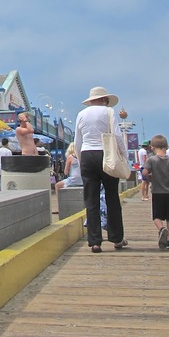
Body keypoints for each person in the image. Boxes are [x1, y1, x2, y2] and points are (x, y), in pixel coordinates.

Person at [74, 86, 127, 253]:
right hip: (106, 154)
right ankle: (116, 238)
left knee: (91, 200)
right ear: (105, 100)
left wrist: (82, 160)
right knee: (112, 197)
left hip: (87, 155)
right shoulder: (108, 112)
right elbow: (117, 135)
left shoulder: (81, 114)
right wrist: (124, 156)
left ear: (91, 100)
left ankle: (95, 241)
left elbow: (77, 141)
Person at [142, 134, 169, 250]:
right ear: (166, 146)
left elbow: (144, 173)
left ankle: (161, 229)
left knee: (157, 216)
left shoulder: (152, 160)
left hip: (157, 192)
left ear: (153, 148)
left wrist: (149, 177)